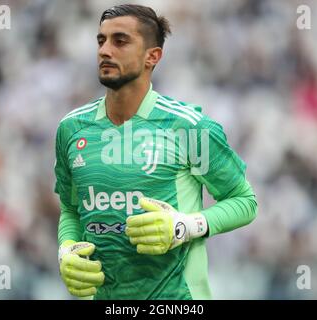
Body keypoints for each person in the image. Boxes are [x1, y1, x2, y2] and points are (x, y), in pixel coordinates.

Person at [54, 4, 257, 300]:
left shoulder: (188, 127)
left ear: (153, 56)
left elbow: (244, 201)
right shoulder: (71, 129)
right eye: (101, 41)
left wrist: (185, 226)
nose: (104, 51)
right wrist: (66, 250)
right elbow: (71, 209)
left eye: (120, 41)